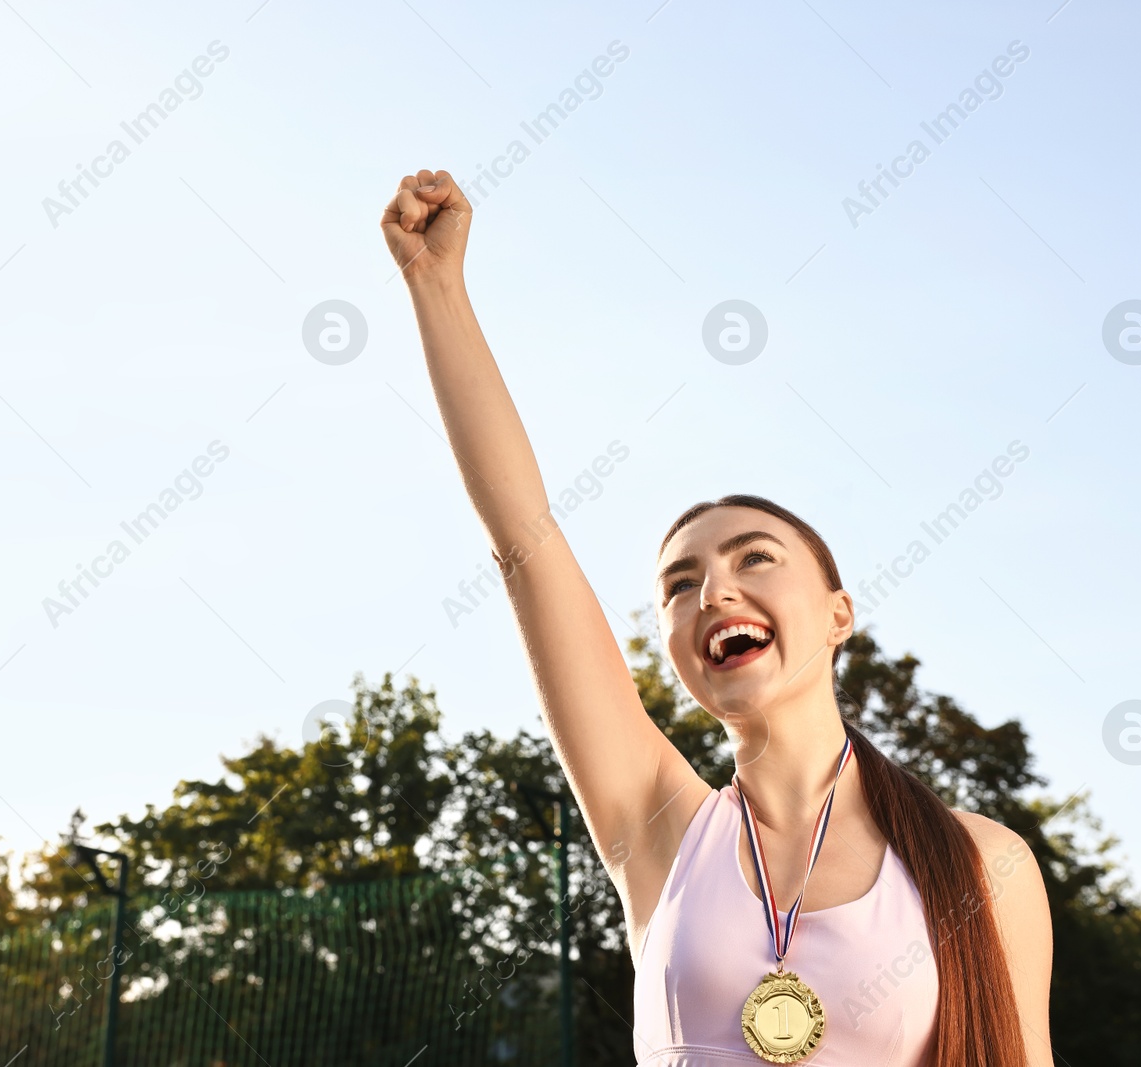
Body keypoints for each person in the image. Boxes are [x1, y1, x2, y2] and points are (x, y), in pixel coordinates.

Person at [381, 169, 1053, 1067]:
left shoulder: (982, 861)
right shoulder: (659, 826)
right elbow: (524, 542)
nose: (714, 592)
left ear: (837, 613)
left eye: (755, 558)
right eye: (679, 582)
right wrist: (436, 284)